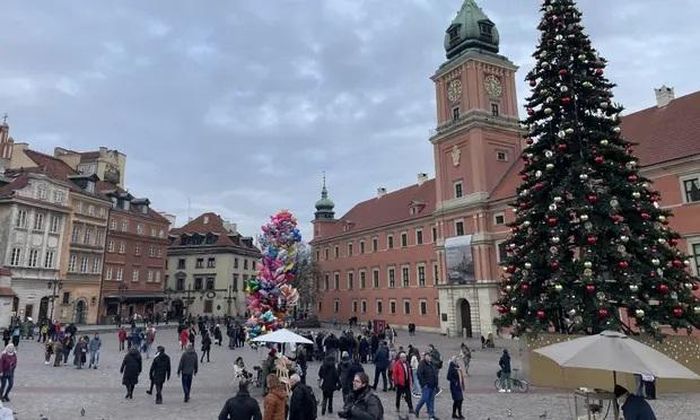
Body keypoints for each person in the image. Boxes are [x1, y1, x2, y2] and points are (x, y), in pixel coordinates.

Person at [415, 352, 438, 420]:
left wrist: (436, 384)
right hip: (426, 386)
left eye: (430, 356)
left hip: (432, 385)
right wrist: (423, 384)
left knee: (431, 401)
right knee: (424, 399)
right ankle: (417, 409)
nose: (429, 358)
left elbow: (435, 374)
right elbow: (419, 374)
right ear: (425, 357)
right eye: (428, 356)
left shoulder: (431, 364)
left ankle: (431, 415)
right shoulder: (422, 364)